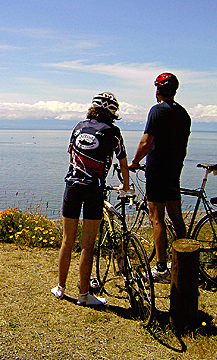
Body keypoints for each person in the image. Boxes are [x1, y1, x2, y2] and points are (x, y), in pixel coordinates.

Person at [51, 92, 130, 306]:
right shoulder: (113, 132)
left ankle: (60, 288)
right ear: (113, 112)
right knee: (87, 245)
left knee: (67, 241)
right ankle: (84, 295)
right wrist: (125, 186)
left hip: (72, 186)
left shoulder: (78, 127)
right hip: (94, 189)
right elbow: (123, 163)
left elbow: (72, 153)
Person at [128, 73, 191, 283]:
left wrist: (134, 162)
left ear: (157, 91)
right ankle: (185, 262)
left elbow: (146, 141)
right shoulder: (184, 114)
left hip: (157, 171)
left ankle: (161, 268)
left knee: (157, 219)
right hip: (175, 170)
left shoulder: (157, 110)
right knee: (177, 218)